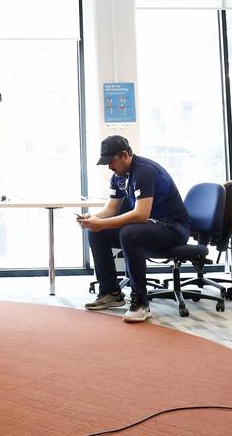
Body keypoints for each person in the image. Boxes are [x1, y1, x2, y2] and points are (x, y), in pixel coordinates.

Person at [80, 135, 192, 323]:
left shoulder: (144, 171)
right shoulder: (119, 177)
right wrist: (93, 219)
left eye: (111, 161)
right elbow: (111, 209)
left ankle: (141, 302)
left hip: (173, 229)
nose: (109, 167)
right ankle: (111, 292)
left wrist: (102, 223)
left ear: (125, 155)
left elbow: (141, 215)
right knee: (96, 232)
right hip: (151, 227)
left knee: (129, 232)